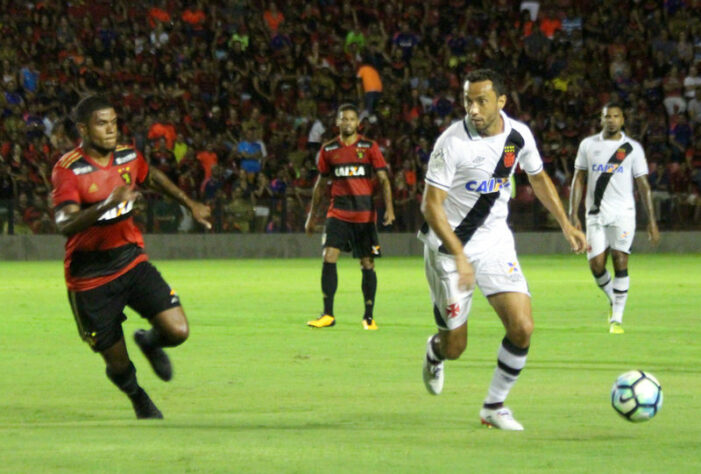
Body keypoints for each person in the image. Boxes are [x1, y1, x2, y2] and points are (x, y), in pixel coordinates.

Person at [419, 69, 587, 430]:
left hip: (495, 240)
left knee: (522, 326)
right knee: (456, 347)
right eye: (468, 101)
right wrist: (459, 255)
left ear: (501, 102)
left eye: (481, 101)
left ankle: (493, 407)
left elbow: (538, 177)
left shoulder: (517, 136)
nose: (474, 109)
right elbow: (430, 206)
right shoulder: (452, 143)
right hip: (450, 251)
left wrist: (566, 224)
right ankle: (435, 352)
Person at [51, 95, 211, 419]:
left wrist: (189, 203)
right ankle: (137, 396)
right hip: (89, 279)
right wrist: (107, 204)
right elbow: (64, 223)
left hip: (131, 261)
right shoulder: (69, 170)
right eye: (101, 123)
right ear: (83, 128)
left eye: (113, 122)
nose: (111, 130)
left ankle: (149, 342)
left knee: (178, 331)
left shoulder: (128, 156)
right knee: (118, 364)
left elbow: (151, 178)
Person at [569, 102, 660, 334]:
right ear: (601, 119)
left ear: (623, 119)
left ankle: (616, 319)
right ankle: (613, 297)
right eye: (606, 116)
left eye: (615, 116)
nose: (611, 120)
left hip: (623, 213)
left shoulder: (632, 148)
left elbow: (643, 186)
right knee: (596, 265)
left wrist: (652, 221)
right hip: (595, 214)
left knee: (620, 259)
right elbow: (578, 179)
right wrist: (572, 213)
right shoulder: (588, 145)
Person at [305, 103, 395, 330]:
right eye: (343, 119)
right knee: (329, 255)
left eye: (351, 119)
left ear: (358, 123)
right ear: (337, 122)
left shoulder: (369, 147)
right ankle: (328, 314)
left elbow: (383, 179)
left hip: (364, 215)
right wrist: (312, 216)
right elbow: (321, 184)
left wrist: (390, 209)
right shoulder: (328, 150)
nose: (347, 123)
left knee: (367, 262)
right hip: (338, 213)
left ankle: (368, 316)